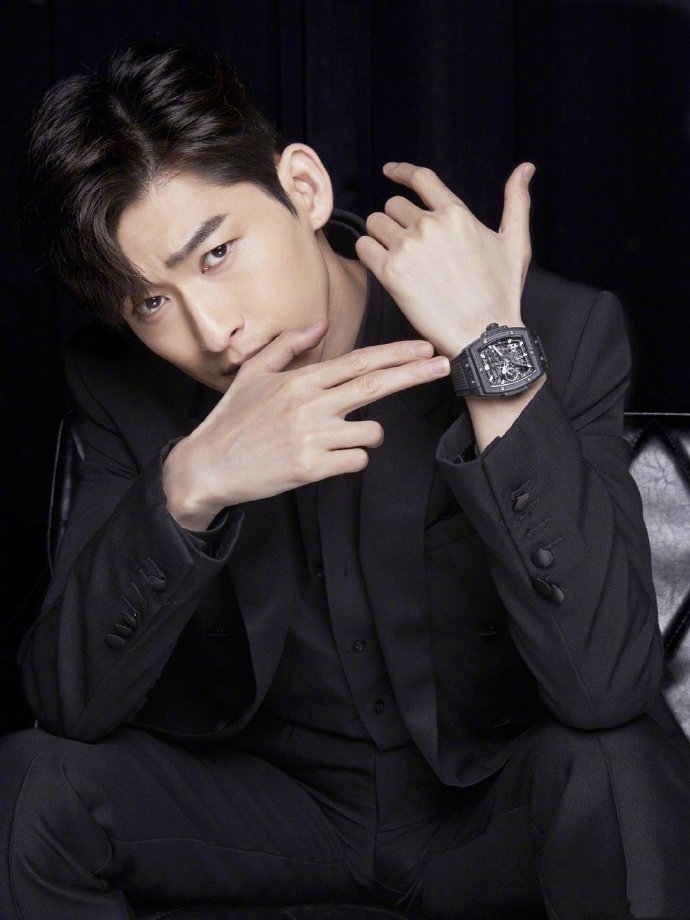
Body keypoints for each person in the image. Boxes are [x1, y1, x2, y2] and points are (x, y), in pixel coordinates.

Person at [1, 40, 688, 920]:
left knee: (616, 766)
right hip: (273, 814)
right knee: (33, 785)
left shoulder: (553, 325)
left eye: (216, 254)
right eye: (152, 302)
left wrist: (491, 357)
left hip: (488, 808)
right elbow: (66, 706)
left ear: (304, 188)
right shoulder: (127, 389)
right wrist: (188, 490)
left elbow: (607, 688)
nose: (210, 331)